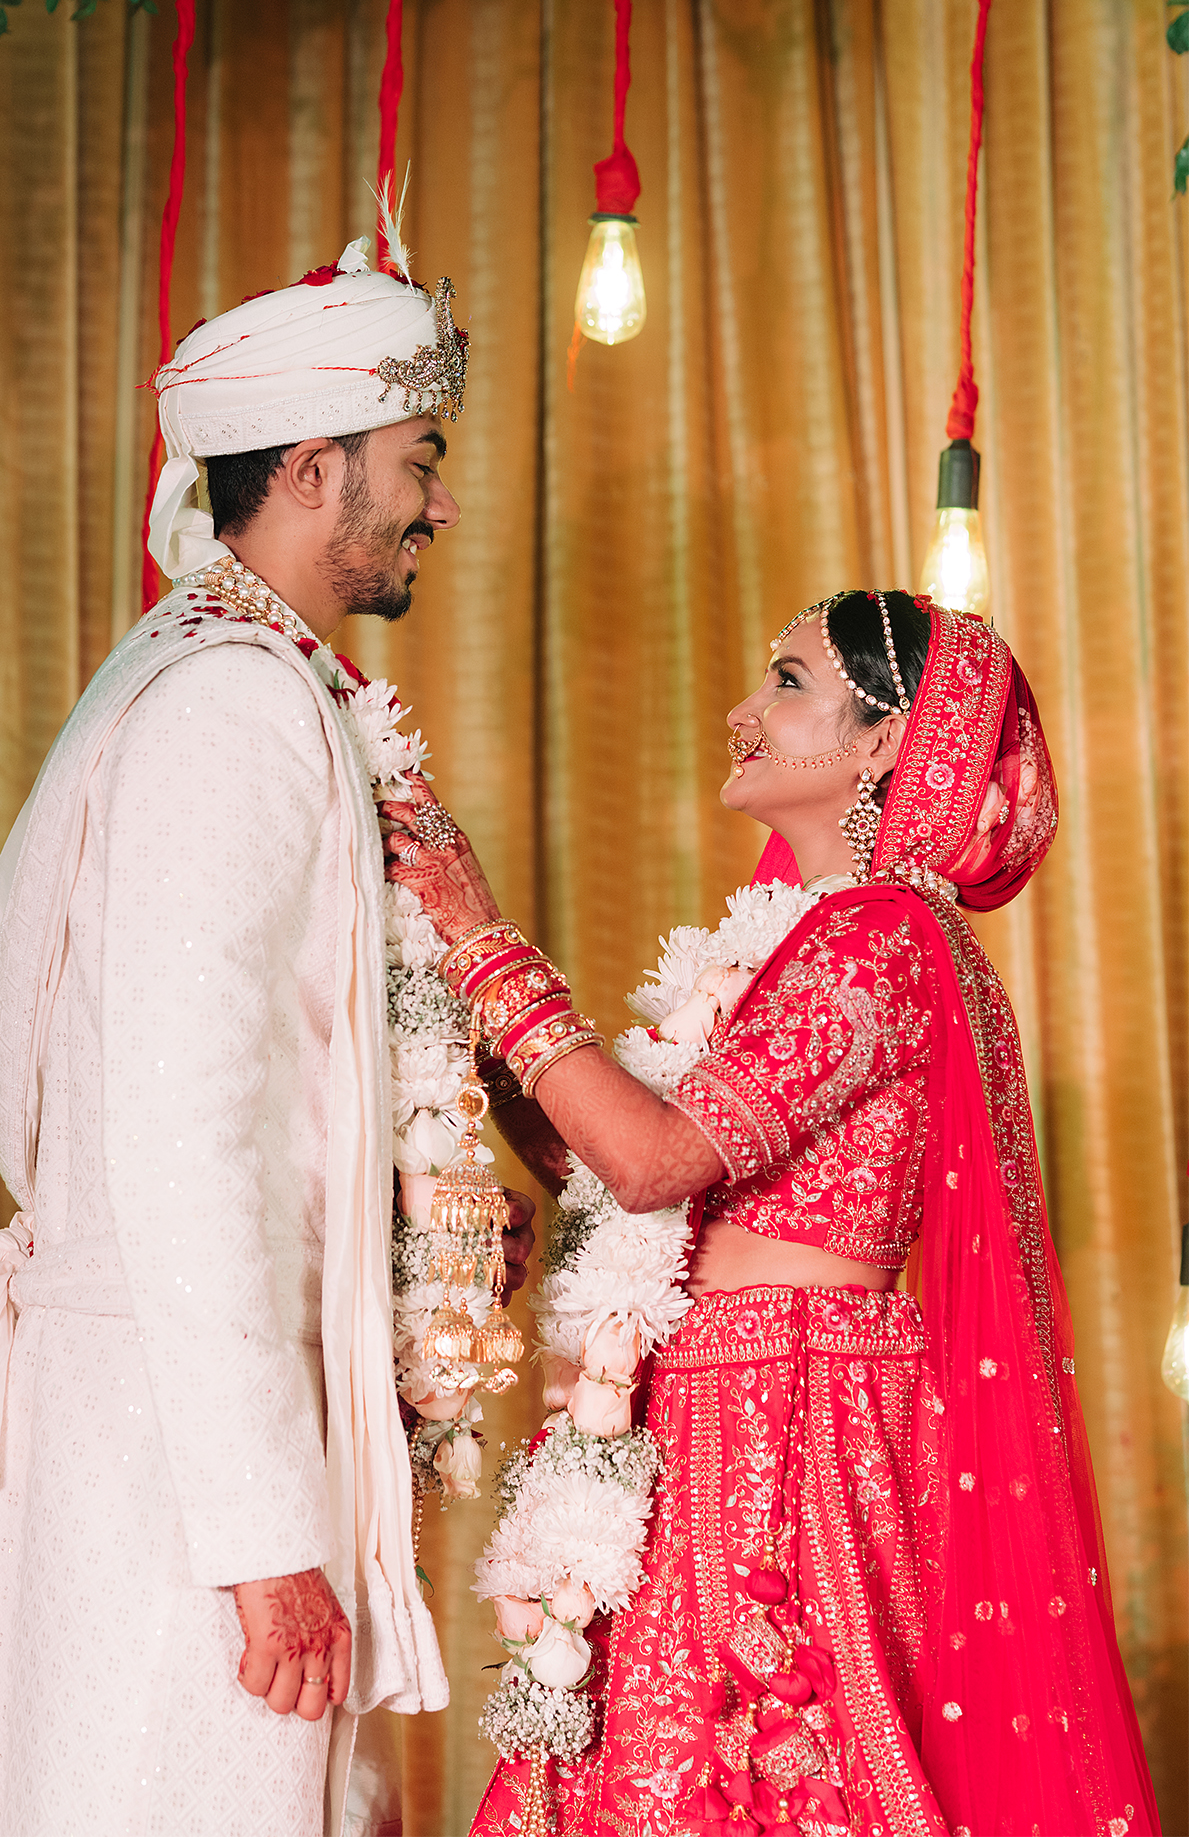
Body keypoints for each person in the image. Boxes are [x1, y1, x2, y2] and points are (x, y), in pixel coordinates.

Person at [0, 231, 533, 1837]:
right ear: (312, 470)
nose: (441, 505)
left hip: (176, 1411)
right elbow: (184, 1132)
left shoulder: (234, 680)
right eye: (420, 460)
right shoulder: (231, 706)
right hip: (177, 1454)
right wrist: (259, 1534)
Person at [384, 590, 1162, 1837]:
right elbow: (619, 1167)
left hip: (785, 1428)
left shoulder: (877, 941)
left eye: (789, 683)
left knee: (752, 1780)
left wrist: (484, 938)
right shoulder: (811, 940)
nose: (743, 712)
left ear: (885, 739)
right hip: (728, 1399)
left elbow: (652, 1163)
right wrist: (479, 1038)